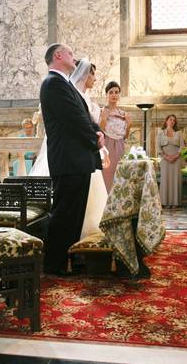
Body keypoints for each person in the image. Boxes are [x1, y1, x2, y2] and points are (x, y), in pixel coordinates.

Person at [39, 43, 104, 275]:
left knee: (74, 214)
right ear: (58, 55)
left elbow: (83, 113)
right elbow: (74, 119)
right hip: (68, 160)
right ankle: (54, 264)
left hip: (77, 160)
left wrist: (98, 131)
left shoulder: (64, 83)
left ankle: (65, 259)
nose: (73, 58)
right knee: (64, 214)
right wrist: (93, 139)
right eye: (70, 53)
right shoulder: (52, 84)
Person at [70, 58, 110, 239]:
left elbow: (95, 125)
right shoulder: (76, 95)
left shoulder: (87, 97)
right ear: (84, 75)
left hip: (92, 148)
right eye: (92, 73)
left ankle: (91, 228)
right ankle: (81, 232)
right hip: (81, 151)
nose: (94, 78)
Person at [100, 81, 130, 191]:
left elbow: (125, 136)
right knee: (106, 176)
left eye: (116, 92)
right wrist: (103, 119)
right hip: (107, 146)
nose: (114, 95)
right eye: (111, 92)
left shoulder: (123, 114)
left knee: (120, 176)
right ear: (106, 95)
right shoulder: (102, 111)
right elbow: (99, 132)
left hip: (120, 147)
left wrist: (129, 126)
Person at [156, 114, 185, 208]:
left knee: (175, 180)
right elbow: (158, 147)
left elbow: (182, 146)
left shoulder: (179, 133)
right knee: (165, 180)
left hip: (176, 160)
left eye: (174, 120)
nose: (172, 122)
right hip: (165, 160)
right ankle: (165, 202)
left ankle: (175, 203)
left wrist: (176, 156)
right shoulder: (160, 133)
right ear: (166, 121)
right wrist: (166, 157)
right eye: (170, 120)